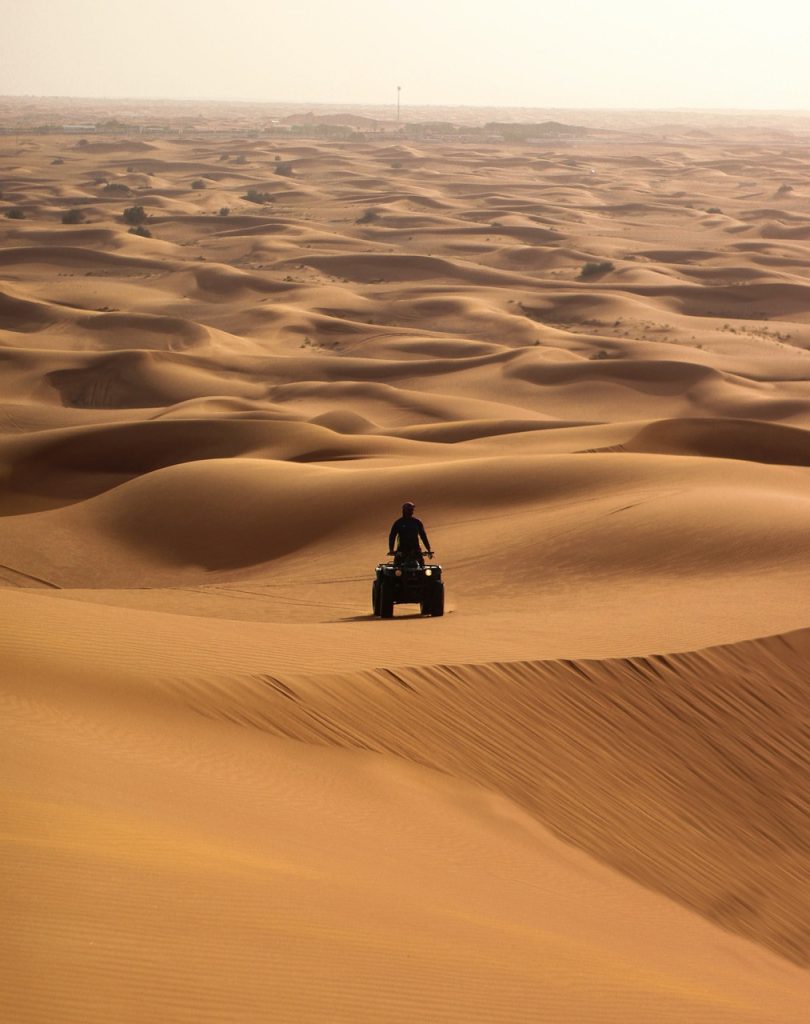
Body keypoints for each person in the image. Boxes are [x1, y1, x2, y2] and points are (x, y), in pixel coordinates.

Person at [388, 501, 431, 565]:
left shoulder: (417, 522)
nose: (411, 511)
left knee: (422, 568)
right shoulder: (398, 523)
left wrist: (428, 549)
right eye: (409, 510)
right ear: (404, 511)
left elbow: (423, 536)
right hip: (402, 550)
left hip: (416, 549)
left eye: (412, 510)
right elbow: (392, 536)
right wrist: (391, 549)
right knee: (396, 568)